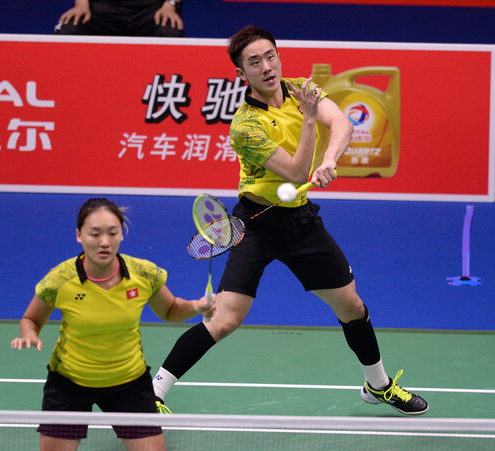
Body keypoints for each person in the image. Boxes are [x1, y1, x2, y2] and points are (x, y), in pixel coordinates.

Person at [151, 25, 428, 416]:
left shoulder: (300, 88)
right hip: (256, 224)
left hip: (300, 222)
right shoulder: (246, 126)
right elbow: (298, 173)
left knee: (351, 306)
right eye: (254, 62)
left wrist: (331, 159)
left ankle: (377, 385)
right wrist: (311, 119)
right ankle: (154, 392)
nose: (266, 67)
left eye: (270, 56)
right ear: (240, 74)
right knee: (225, 318)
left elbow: (344, 124)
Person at [8, 198, 211, 451]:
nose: (104, 241)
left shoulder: (143, 273)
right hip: (70, 382)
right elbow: (31, 316)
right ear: (79, 235)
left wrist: (198, 307)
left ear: (123, 234)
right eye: (95, 233)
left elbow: (170, 311)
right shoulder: (61, 279)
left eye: (112, 233)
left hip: (129, 382)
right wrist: (29, 335)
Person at [54, 0, 183, 37]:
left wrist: (170, 5)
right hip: (103, 9)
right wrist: (81, 4)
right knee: (68, 30)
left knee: (170, 32)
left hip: (150, 11)